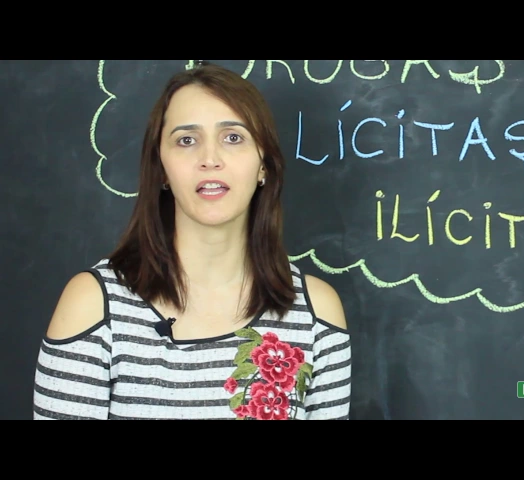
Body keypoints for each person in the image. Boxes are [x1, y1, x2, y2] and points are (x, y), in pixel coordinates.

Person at [33, 61, 351, 420]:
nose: (210, 159)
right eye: (186, 140)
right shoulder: (94, 307)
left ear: (263, 164)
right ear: (162, 169)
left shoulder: (316, 314)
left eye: (233, 137)